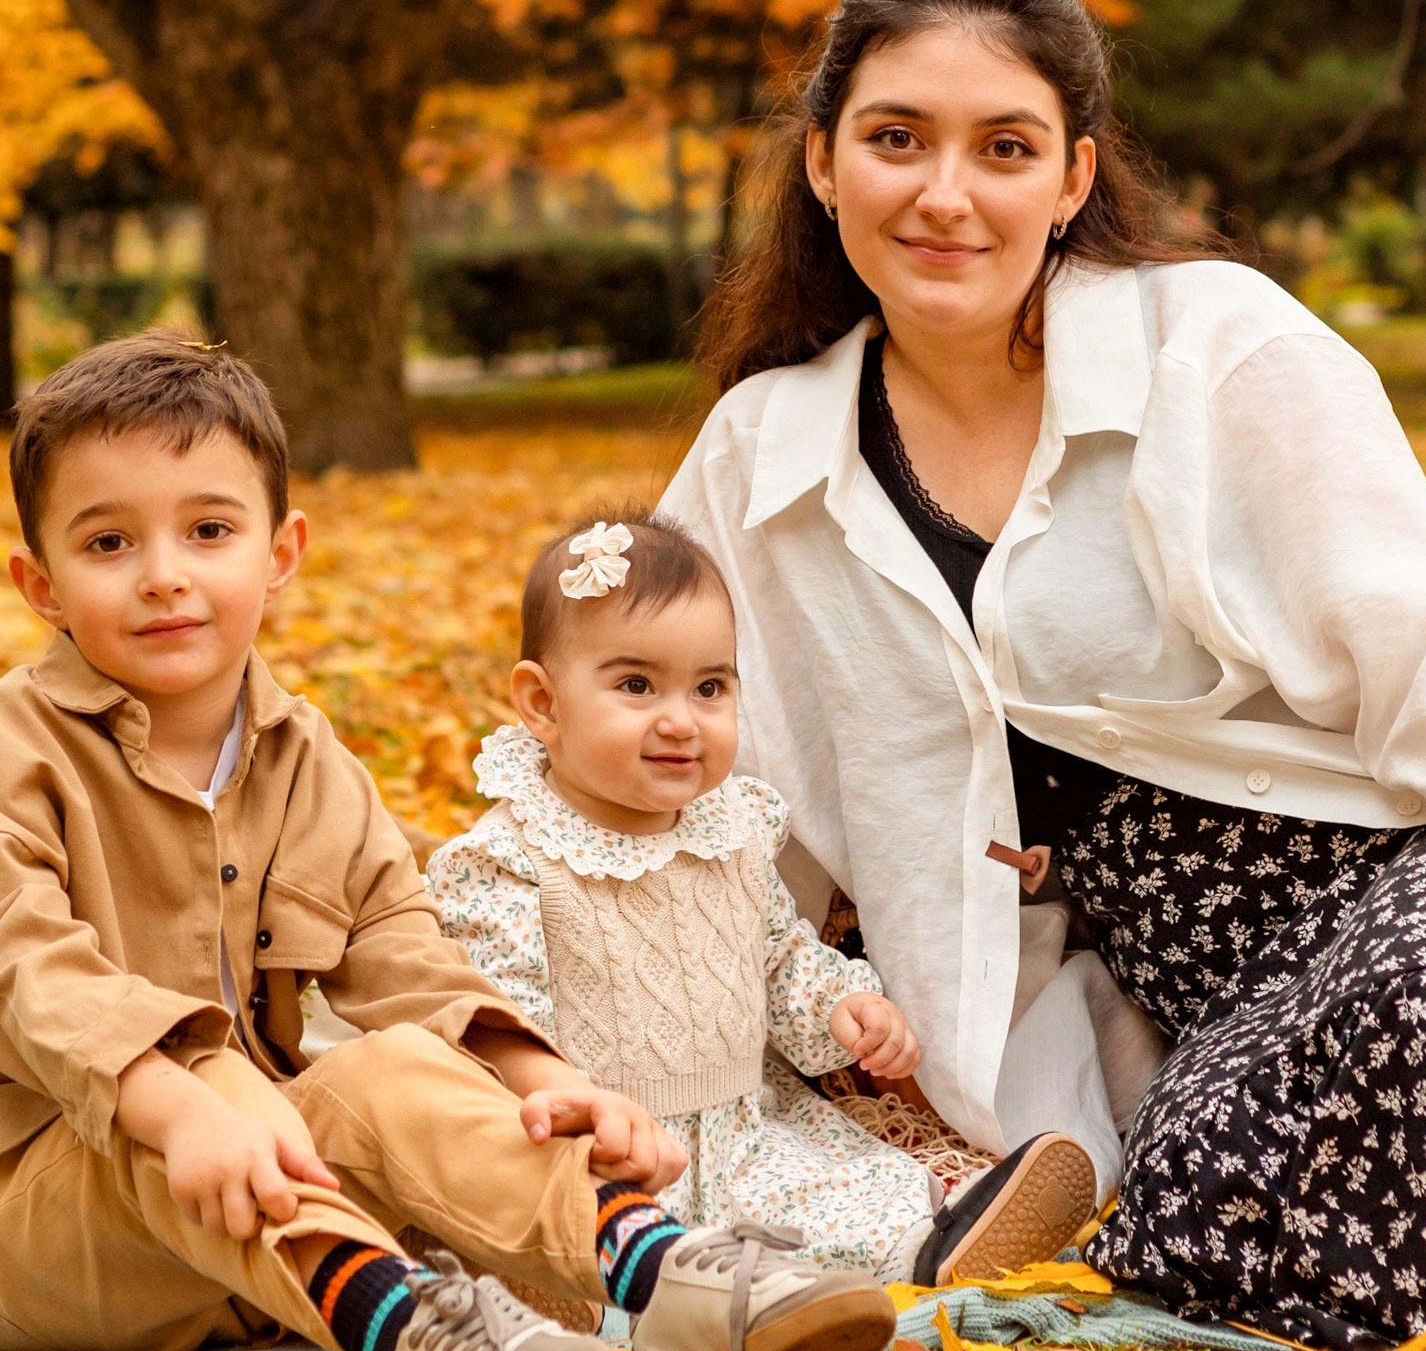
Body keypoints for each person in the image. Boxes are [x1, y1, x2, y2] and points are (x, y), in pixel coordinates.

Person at [663, 0, 1426, 1351]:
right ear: (827, 163)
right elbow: (686, 782)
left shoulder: (1210, 349)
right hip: (1191, 981)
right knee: (1201, 1197)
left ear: (1075, 180)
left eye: (1006, 147)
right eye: (897, 139)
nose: (947, 194)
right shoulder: (760, 459)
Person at [0, 333, 897, 1351]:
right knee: (209, 1073)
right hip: (18, 1223)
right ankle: (423, 1344)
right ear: (41, 586)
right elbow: (15, 970)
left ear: (280, 552)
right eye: (110, 542)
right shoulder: (5, 750)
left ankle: (661, 1277)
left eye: (208, 531)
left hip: (265, 1207)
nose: (164, 572)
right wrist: (183, 1104)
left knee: (389, 1067)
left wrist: (557, 1084)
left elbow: (402, 953)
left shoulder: (304, 757)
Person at [428, 509, 1091, 1301]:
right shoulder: (509, 860)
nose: (680, 719)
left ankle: (934, 1246)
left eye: (710, 687)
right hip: (603, 1157)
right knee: (602, 1238)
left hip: (745, 1135)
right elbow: (498, 1031)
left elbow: (778, 956)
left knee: (849, 1200)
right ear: (543, 703)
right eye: (635, 685)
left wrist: (841, 1006)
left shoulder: (733, 828)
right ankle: (599, 1284)